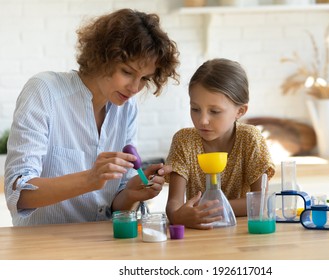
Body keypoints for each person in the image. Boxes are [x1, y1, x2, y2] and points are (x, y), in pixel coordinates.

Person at [4, 9, 180, 226]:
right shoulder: (44, 91)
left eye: (144, 78)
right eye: (127, 72)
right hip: (44, 245)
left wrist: (133, 192)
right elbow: (19, 193)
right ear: (102, 57)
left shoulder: (126, 108)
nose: (135, 87)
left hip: (100, 241)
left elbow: (114, 205)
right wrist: (89, 179)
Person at [165, 58, 275, 230]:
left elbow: (260, 201)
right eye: (195, 109)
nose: (203, 120)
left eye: (214, 111)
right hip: (197, 237)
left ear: (240, 111)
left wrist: (205, 210)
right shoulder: (184, 141)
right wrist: (178, 216)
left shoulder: (250, 139)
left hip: (242, 234)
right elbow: (173, 206)